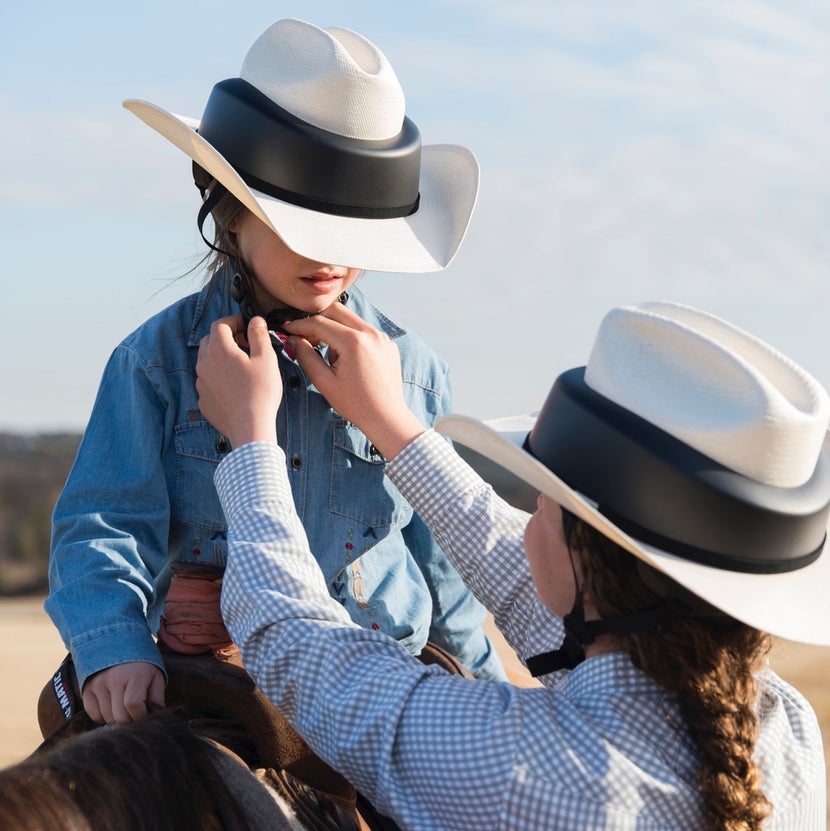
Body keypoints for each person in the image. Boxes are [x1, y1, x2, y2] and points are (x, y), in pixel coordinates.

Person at [195, 300, 830, 830]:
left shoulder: (519, 771)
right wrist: (391, 424)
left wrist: (251, 439)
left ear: (590, 563)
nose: (524, 522)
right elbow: (537, 585)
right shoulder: (786, 728)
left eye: (542, 503)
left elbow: (294, 643)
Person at [45, 18, 505, 728]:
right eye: (304, 223)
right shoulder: (154, 361)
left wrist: (482, 684)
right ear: (229, 212)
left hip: (380, 673)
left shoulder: (416, 372)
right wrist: (113, 648)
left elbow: (443, 565)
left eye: (357, 231)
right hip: (213, 675)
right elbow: (104, 522)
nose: (332, 256)